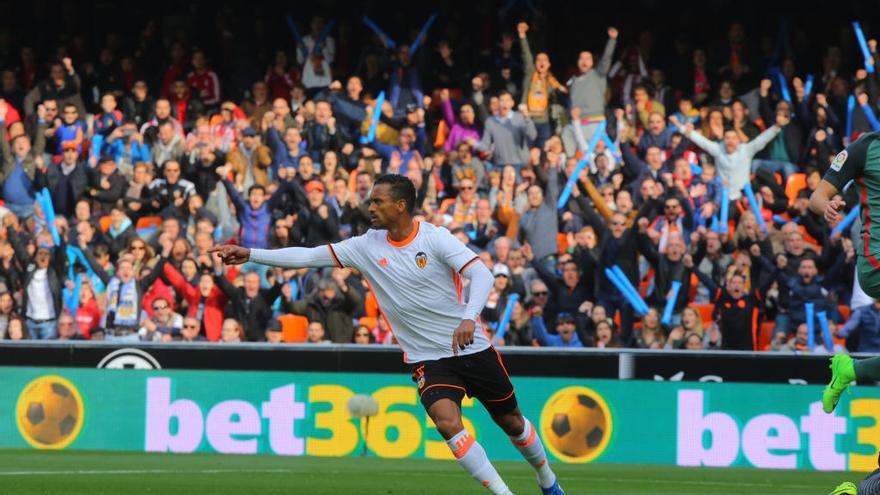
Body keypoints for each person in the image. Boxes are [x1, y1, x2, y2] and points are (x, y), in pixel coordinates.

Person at [211, 174, 564, 495]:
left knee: (513, 423)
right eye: (369, 200)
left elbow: (482, 275)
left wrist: (470, 317)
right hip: (428, 357)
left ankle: (547, 480)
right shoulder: (366, 246)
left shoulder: (435, 238)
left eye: (377, 201)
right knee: (447, 423)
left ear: (400, 206)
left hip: (470, 347)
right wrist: (252, 254)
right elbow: (310, 255)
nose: (370, 206)